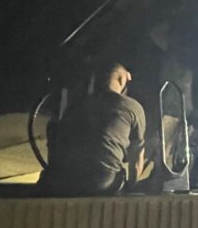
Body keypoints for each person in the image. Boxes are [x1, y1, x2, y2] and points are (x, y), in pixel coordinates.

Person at [38, 62, 146, 196]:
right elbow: (137, 155)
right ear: (121, 80)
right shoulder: (132, 107)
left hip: (64, 180)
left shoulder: (76, 104)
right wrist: (132, 190)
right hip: (102, 181)